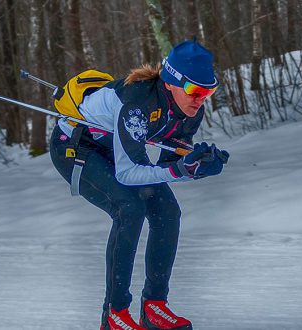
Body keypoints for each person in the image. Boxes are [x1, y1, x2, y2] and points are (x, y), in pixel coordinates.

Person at [49, 40, 229, 330]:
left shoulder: (191, 111)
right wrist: (181, 168)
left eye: (208, 91)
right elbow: (129, 174)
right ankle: (115, 314)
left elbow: (169, 166)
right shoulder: (137, 104)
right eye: (195, 90)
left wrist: (197, 167)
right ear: (171, 82)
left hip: (116, 150)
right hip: (76, 148)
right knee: (129, 209)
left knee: (167, 211)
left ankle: (154, 307)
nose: (201, 99)